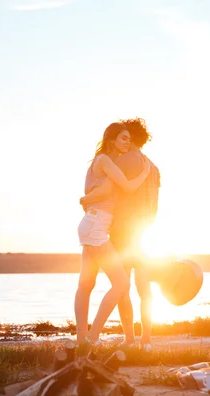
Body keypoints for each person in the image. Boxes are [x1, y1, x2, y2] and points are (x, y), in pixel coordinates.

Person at [80, 117, 161, 351]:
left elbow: (107, 187)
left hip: (121, 230)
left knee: (122, 286)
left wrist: (87, 199)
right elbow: (155, 202)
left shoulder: (121, 159)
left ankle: (129, 339)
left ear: (131, 138)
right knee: (145, 289)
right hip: (145, 232)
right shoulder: (153, 167)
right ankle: (146, 341)